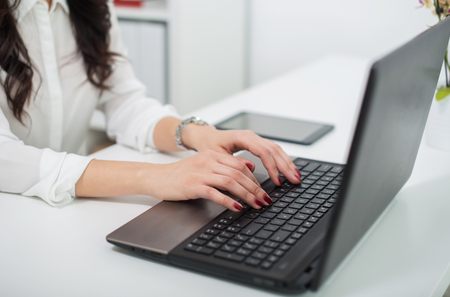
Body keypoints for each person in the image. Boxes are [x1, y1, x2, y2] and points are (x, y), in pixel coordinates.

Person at [0, 0, 302, 212]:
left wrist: (201, 134)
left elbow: (124, 102)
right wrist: (155, 176)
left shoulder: (92, 5)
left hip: (58, 211)